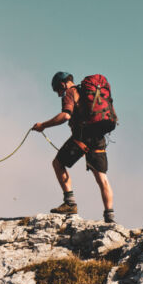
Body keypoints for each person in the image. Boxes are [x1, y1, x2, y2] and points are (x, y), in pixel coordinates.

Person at [32, 71, 115, 223]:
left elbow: (66, 116)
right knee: (102, 178)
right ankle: (109, 216)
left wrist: (43, 125)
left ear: (63, 84)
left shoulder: (70, 92)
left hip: (81, 138)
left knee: (58, 163)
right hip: (98, 137)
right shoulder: (86, 93)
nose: (59, 94)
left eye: (58, 90)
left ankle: (70, 203)